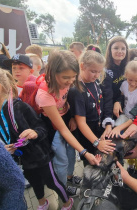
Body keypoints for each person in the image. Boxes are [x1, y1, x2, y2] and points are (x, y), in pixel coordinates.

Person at [0, 64, 78, 210]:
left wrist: (35, 133)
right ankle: (42, 203)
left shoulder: (20, 107)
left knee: (52, 182)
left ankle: (66, 203)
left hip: (41, 157)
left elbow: (42, 128)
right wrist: (3, 148)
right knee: (34, 183)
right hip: (22, 160)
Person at [34, 50, 101, 189]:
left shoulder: (68, 83)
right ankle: (62, 187)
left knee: (70, 154)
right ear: (53, 73)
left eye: (73, 77)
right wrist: (85, 153)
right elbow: (63, 130)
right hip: (52, 126)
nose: (70, 82)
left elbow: (66, 102)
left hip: (65, 118)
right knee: (61, 160)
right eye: (66, 77)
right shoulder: (45, 95)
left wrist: (72, 117)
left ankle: (69, 177)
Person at [68, 48, 116, 166]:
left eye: (100, 72)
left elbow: (101, 104)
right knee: (91, 164)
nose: (97, 75)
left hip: (98, 129)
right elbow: (81, 123)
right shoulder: (77, 89)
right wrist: (97, 143)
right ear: (82, 66)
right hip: (87, 136)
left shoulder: (95, 82)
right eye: (94, 71)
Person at [109, 60, 137, 174]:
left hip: (136, 121)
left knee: (135, 144)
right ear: (126, 75)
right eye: (130, 79)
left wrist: (120, 127)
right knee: (117, 135)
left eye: (136, 80)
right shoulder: (124, 84)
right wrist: (118, 103)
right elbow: (122, 97)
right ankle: (129, 166)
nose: (132, 83)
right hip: (125, 115)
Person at [102, 36, 129, 126]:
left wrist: (119, 101)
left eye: (123, 48)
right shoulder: (107, 71)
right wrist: (108, 119)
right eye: (116, 48)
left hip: (123, 108)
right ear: (110, 50)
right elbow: (107, 95)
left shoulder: (127, 68)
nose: (120, 51)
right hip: (109, 109)